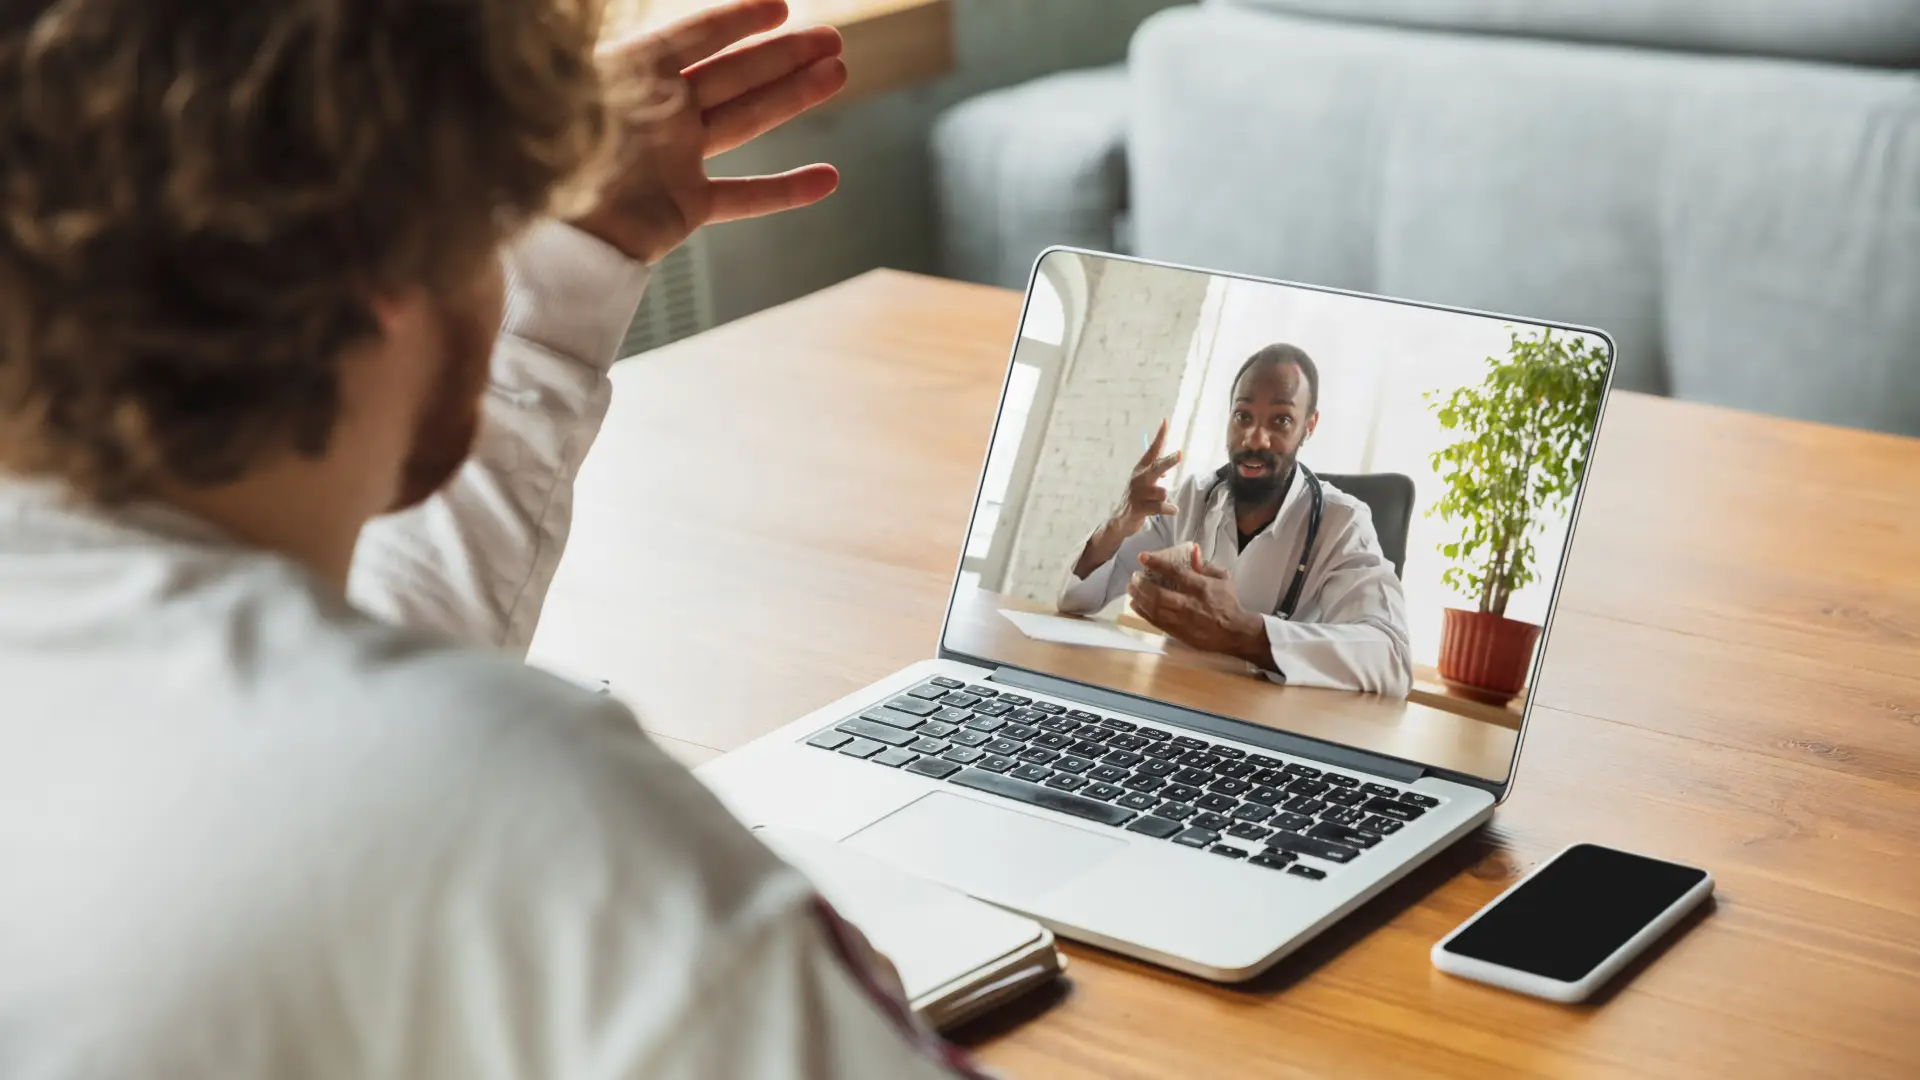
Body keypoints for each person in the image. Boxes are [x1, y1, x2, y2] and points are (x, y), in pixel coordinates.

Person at [0, 2, 992, 1077]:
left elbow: (346, 675)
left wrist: (578, 250)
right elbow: (406, 762)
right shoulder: (538, 824)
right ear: (381, 243)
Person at [1058, 344, 1413, 696]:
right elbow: (1077, 600)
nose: (1254, 438)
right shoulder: (1192, 497)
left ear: (1309, 425)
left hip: (1271, 726)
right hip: (1173, 701)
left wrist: (1246, 633)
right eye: (1243, 416)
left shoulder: (1342, 523)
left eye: (1281, 420)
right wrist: (1122, 521)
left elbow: (1391, 658)